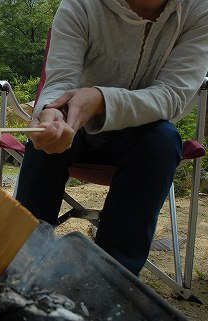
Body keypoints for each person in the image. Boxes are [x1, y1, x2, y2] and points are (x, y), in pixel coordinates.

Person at [15, 0, 208, 276]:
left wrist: (102, 100)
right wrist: (50, 112)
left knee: (163, 140)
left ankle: (111, 278)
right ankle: (22, 265)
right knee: (46, 136)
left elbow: (172, 94)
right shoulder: (80, 5)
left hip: (140, 137)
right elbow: (59, 81)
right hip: (76, 124)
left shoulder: (198, 11)